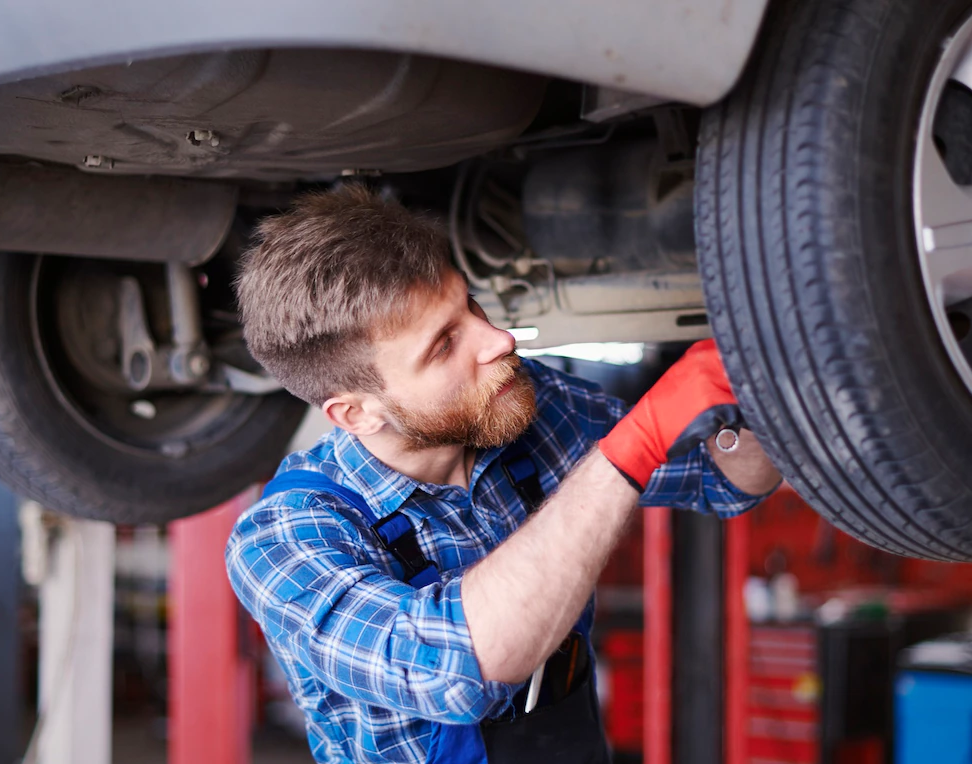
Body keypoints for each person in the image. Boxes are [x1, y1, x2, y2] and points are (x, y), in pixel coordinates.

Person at [226, 185, 781, 764]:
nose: (500, 341)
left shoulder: (528, 406)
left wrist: (754, 403)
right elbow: (456, 671)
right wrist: (632, 447)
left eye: (471, 307)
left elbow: (725, 479)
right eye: (444, 346)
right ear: (356, 413)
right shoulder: (283, 539)